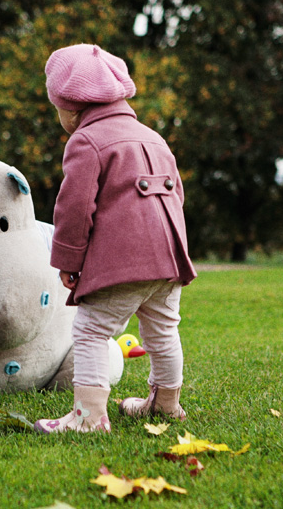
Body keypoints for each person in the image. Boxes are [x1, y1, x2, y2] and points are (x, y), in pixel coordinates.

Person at [33, 44, 197, 434]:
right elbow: (177, 198)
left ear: (71, 107)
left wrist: (69, 261)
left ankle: (89, 417)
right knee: (162, 330)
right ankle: (167, 403)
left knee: (90, 330)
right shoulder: (153, 138)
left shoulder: (86, 142)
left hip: (123, 261)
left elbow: (74, 208)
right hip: (168, 259)